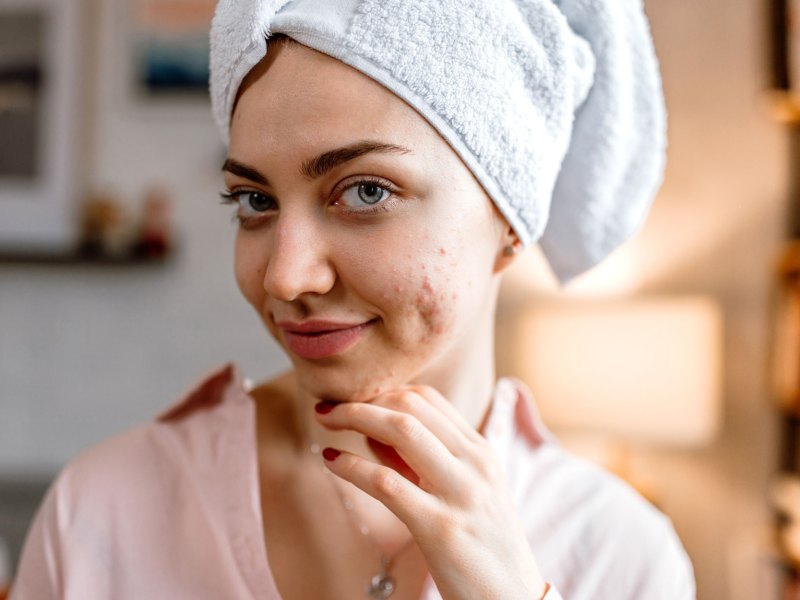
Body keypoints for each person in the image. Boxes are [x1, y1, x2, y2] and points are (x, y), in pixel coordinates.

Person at [10, 0, 695, 598]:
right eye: (254, 201)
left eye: (367, 191)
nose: (285, 278)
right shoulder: (105, 511)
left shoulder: (621, 557)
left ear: (510, 217)